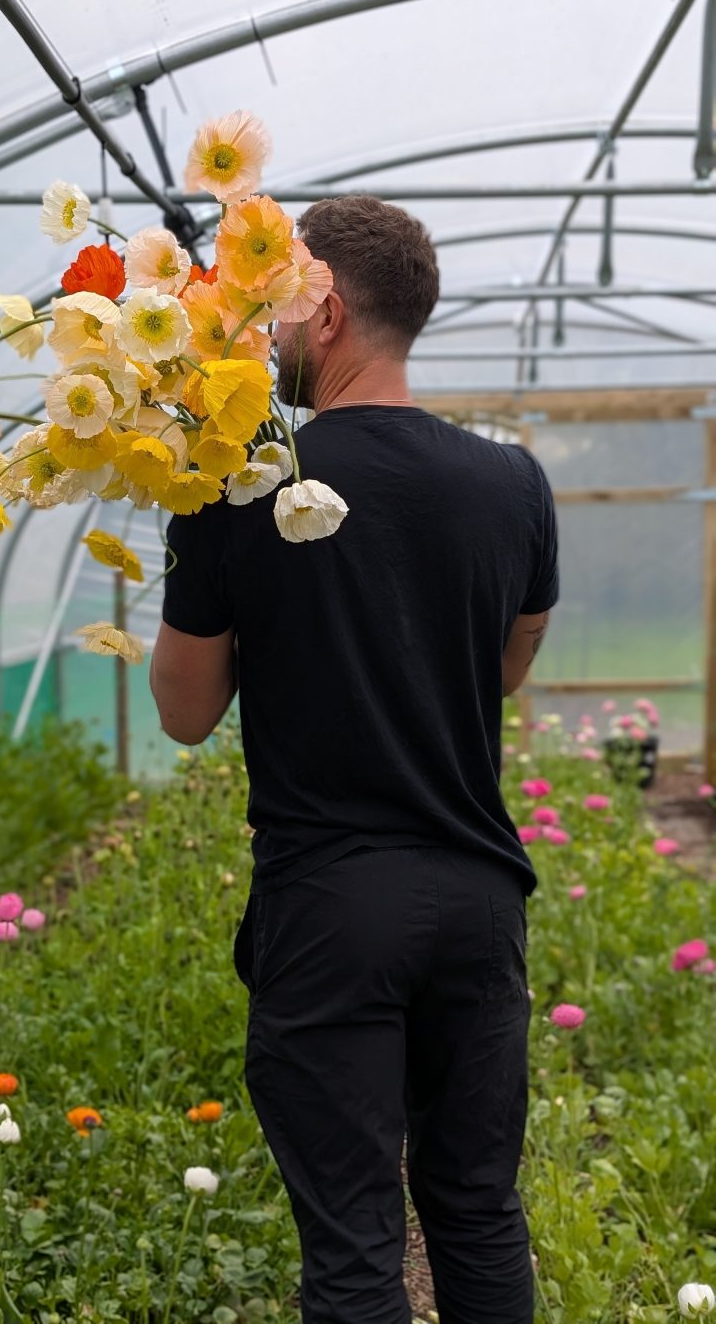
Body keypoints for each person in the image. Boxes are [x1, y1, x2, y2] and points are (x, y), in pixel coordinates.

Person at [149, 194, 558, 1324]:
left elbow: (186, 711)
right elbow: (507, 667)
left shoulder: (239, 479)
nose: (264, 331)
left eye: (277, 306)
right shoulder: (513, 482)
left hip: (329, 906)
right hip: (477, 898)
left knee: (353, 1245)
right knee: (478, 1209)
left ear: (325, 313)